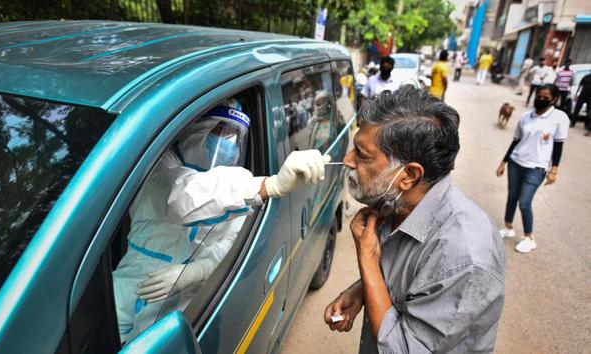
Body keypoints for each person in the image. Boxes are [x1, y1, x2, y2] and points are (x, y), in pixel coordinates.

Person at [113, 102, 330, 342]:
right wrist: (266, 186)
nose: (229, 143)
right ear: (195, 131)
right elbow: (180, 199)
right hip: (130, 285)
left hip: (189, 303)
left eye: (235, 137)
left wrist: (194, 272)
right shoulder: (157, 166)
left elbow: (229, 242)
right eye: (221, 131)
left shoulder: (233, 198)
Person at [324, 87, 505, 352]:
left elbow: (403, 348)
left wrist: (368, 261)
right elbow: (408, 276)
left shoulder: (463, 258)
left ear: (409, 175)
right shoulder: (395, 201)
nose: (347, 160)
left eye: (362, 155)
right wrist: (363, 289)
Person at [497, 84, 569, 253]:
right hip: (516, 162)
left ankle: (529, 237)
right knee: (512, 196)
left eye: (545, 97)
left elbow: (558, 146)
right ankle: (508, 227)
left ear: (554, 99)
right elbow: (516, 140)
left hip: (537, 168)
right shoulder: (526, 117)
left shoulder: (560, 118)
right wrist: (504, 162)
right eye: (538, 96)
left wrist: (554, 169)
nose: (541, 99)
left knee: (524, 202)